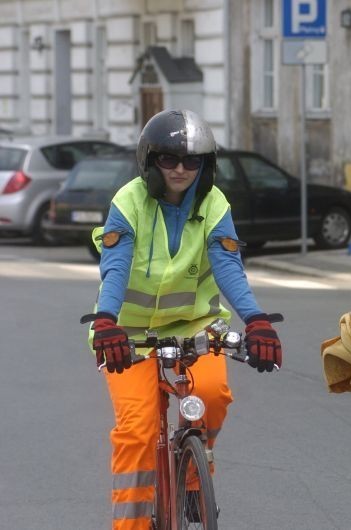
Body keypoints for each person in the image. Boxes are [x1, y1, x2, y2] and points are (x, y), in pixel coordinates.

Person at [82, 109, 282, 530]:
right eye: (168, 160)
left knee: (212, 394)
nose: (179, 169)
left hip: (196, 328)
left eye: (192, 161)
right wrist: (105, 321)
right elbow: (115, 265)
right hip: (127, 335)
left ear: (205, 166)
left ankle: (192, 480)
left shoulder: (214, 204)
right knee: (137, 431)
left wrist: (257, 319)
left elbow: (228, 265)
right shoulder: (129, 201)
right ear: (150, 161)